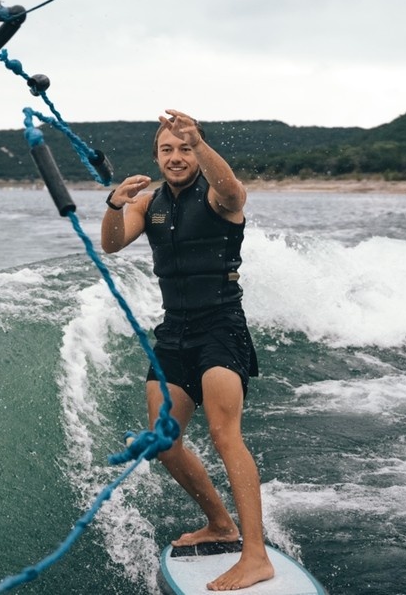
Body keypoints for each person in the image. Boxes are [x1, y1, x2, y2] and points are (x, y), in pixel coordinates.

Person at [100, 109, 273, 591]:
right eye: (167, 149)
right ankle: (220, 524)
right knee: (165, 441)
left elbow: (235, 191)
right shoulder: (148, 203)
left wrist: (200, 143)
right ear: (156, 157)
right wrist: (113, 204)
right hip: (174, 333)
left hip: (221, 328)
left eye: (185, 148)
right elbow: (112, 245)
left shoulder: (217, 196)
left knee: (224, 434)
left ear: (197, 151)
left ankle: (256, 555)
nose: (176, 157)